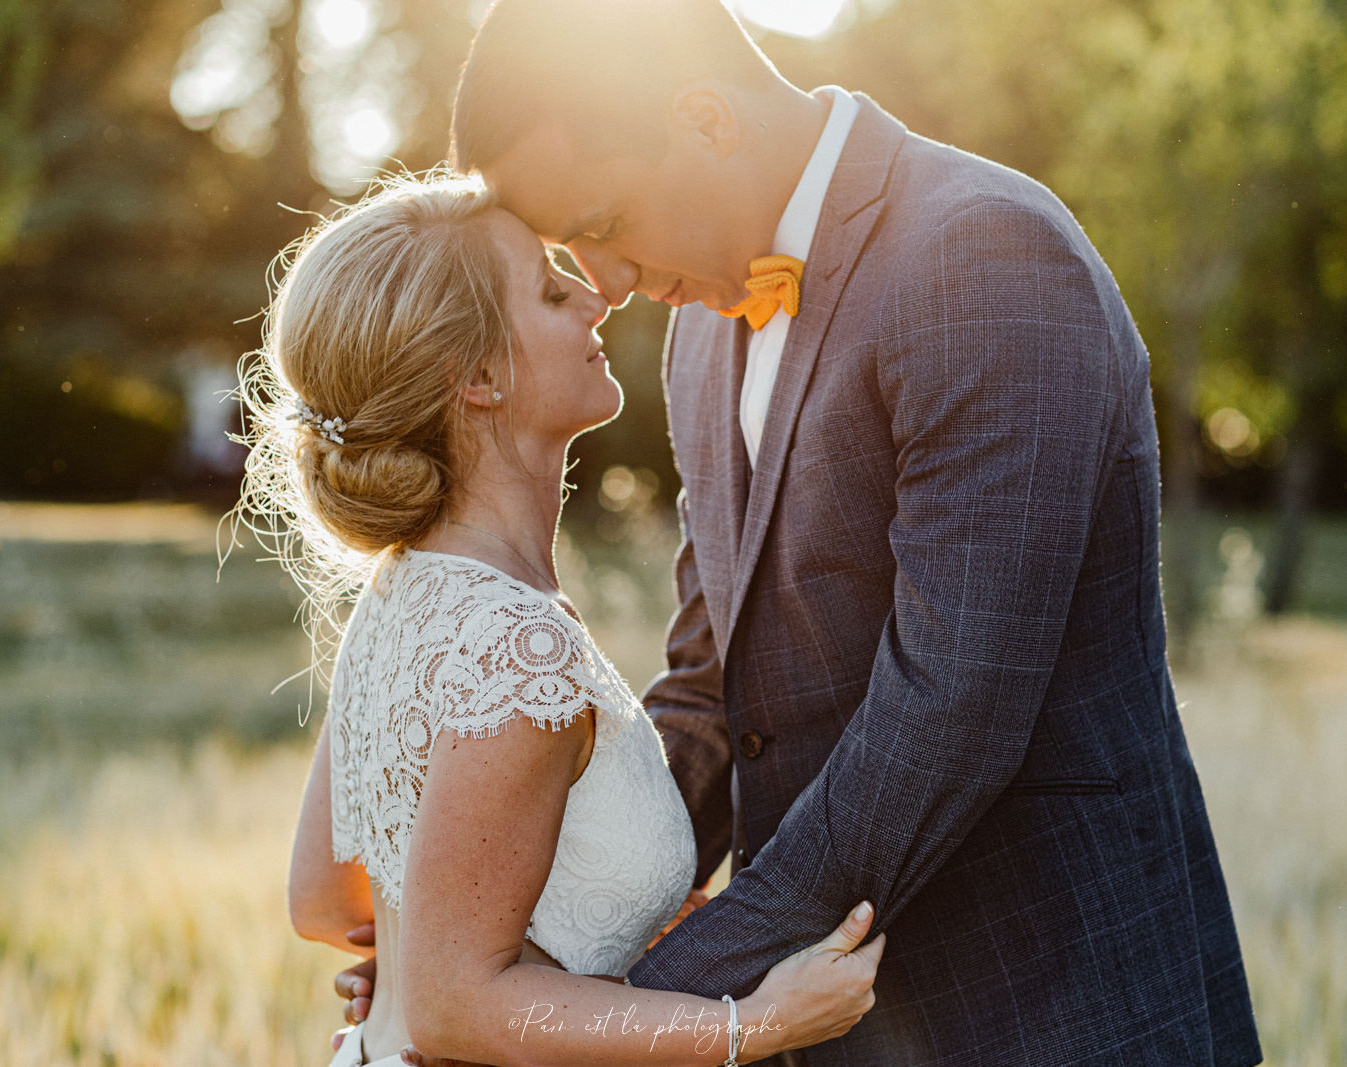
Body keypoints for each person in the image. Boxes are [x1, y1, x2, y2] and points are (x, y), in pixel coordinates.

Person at [338, 1, 1265, 1063]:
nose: (610, 285)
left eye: (600, 224)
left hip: (1049, 1001)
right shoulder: (697, 333)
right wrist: (491, 947)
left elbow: (948, 712)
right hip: (837, 1021)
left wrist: (620, 999)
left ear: (704, 119)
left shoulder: (981, 254)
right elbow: (708, 685)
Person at [233, 173, 884, 1066]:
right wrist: (756, 1024)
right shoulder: (514, 647)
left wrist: (452, 955)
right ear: (481, 380)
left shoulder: (400, 596)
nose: (592, 297)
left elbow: (328, 901)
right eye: (548, 289)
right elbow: (456, 1008)